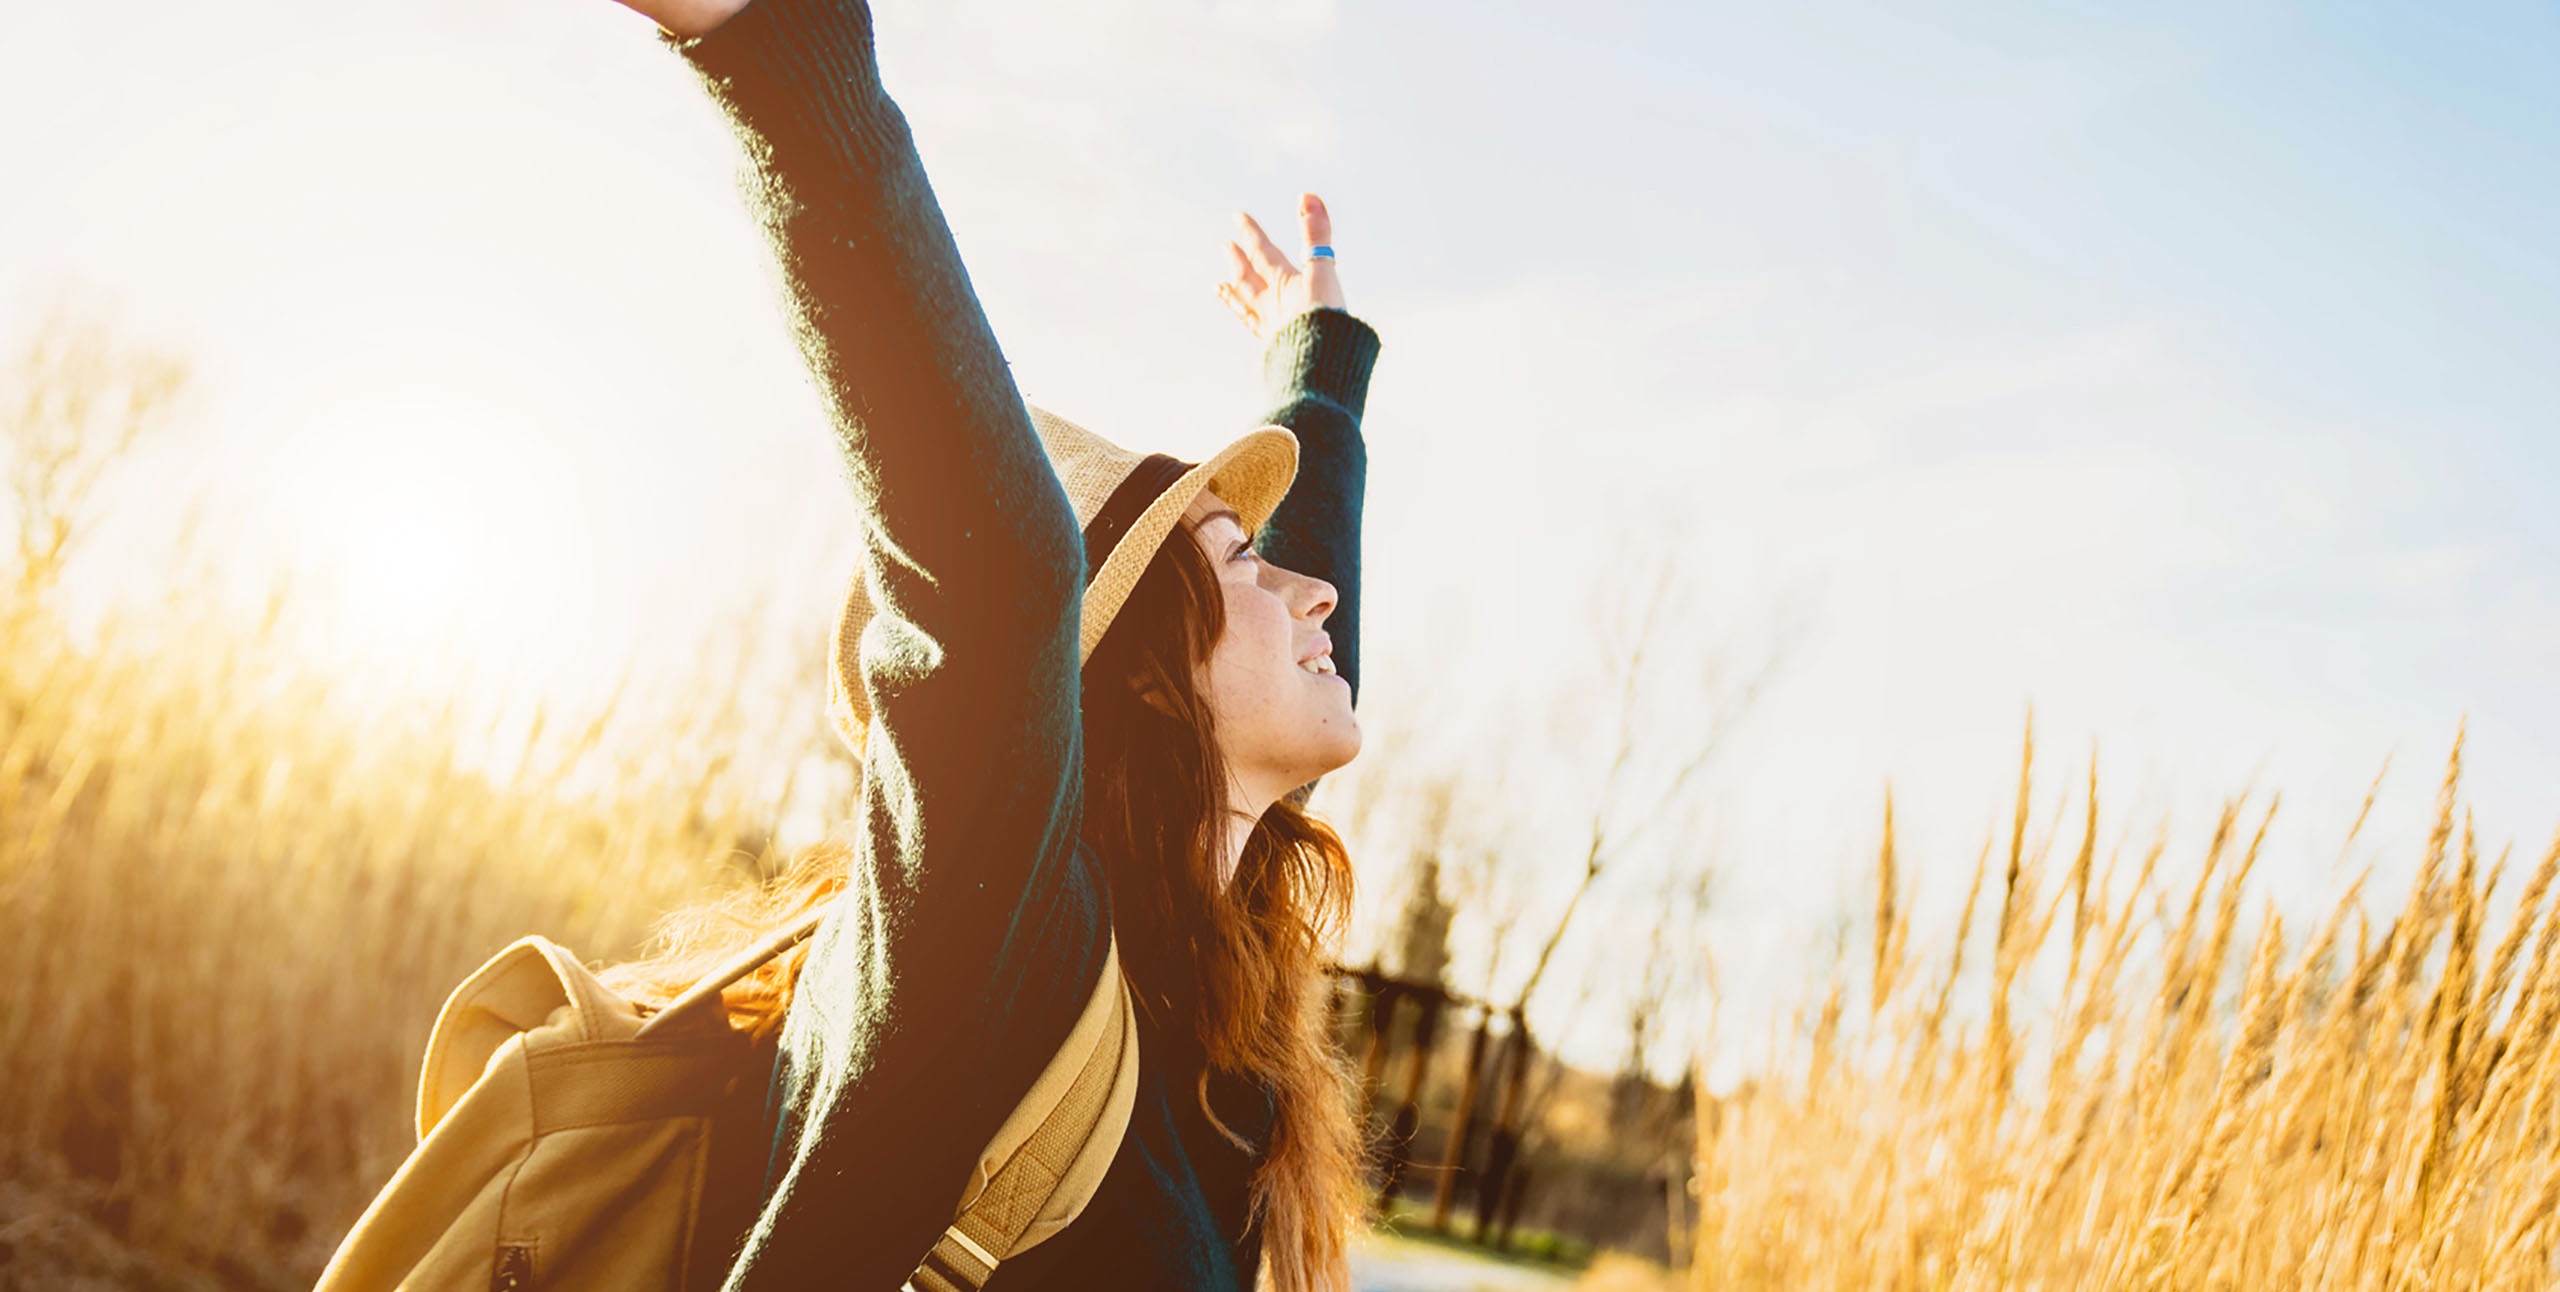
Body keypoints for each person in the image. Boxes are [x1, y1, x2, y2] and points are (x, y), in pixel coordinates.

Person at [594, 0, 1385, 1288]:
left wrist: (1320, 382)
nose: (1316, 600)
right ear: (1140, 682)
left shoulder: (1195, 1011)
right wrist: (777, 49)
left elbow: (1306, 663)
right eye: (1243, 561)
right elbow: (995, 574)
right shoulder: (989, 960)